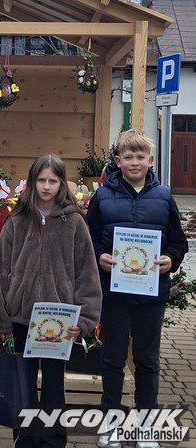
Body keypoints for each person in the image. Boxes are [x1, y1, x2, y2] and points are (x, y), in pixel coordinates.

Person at [0, 154, 102, 448]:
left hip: (59, 321)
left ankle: (52, 441)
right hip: (21, 318)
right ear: (32, 182)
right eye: (41, 180)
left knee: (53, 384)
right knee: (23, 385)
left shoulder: (74, 222)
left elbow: (87, 273)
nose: (47, 186)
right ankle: (25, 441)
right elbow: (1, 270)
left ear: (62, 183)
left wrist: (85, 319)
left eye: (53, 180)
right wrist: (0, 316)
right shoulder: (16, 220)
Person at [87, 129, 188, 448]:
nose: (134, 162)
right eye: (128, 157)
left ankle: (146, 427)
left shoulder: (164, 197)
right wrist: (99, 256)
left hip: (151, 294)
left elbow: (178, 242)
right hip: (114, 293)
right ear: (118, 161)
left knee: (147, 361)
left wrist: (170, 260)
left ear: (150, 160)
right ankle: (111, 426)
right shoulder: (102, 197)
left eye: (140, 157)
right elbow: (89, 239)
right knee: (112, 359)